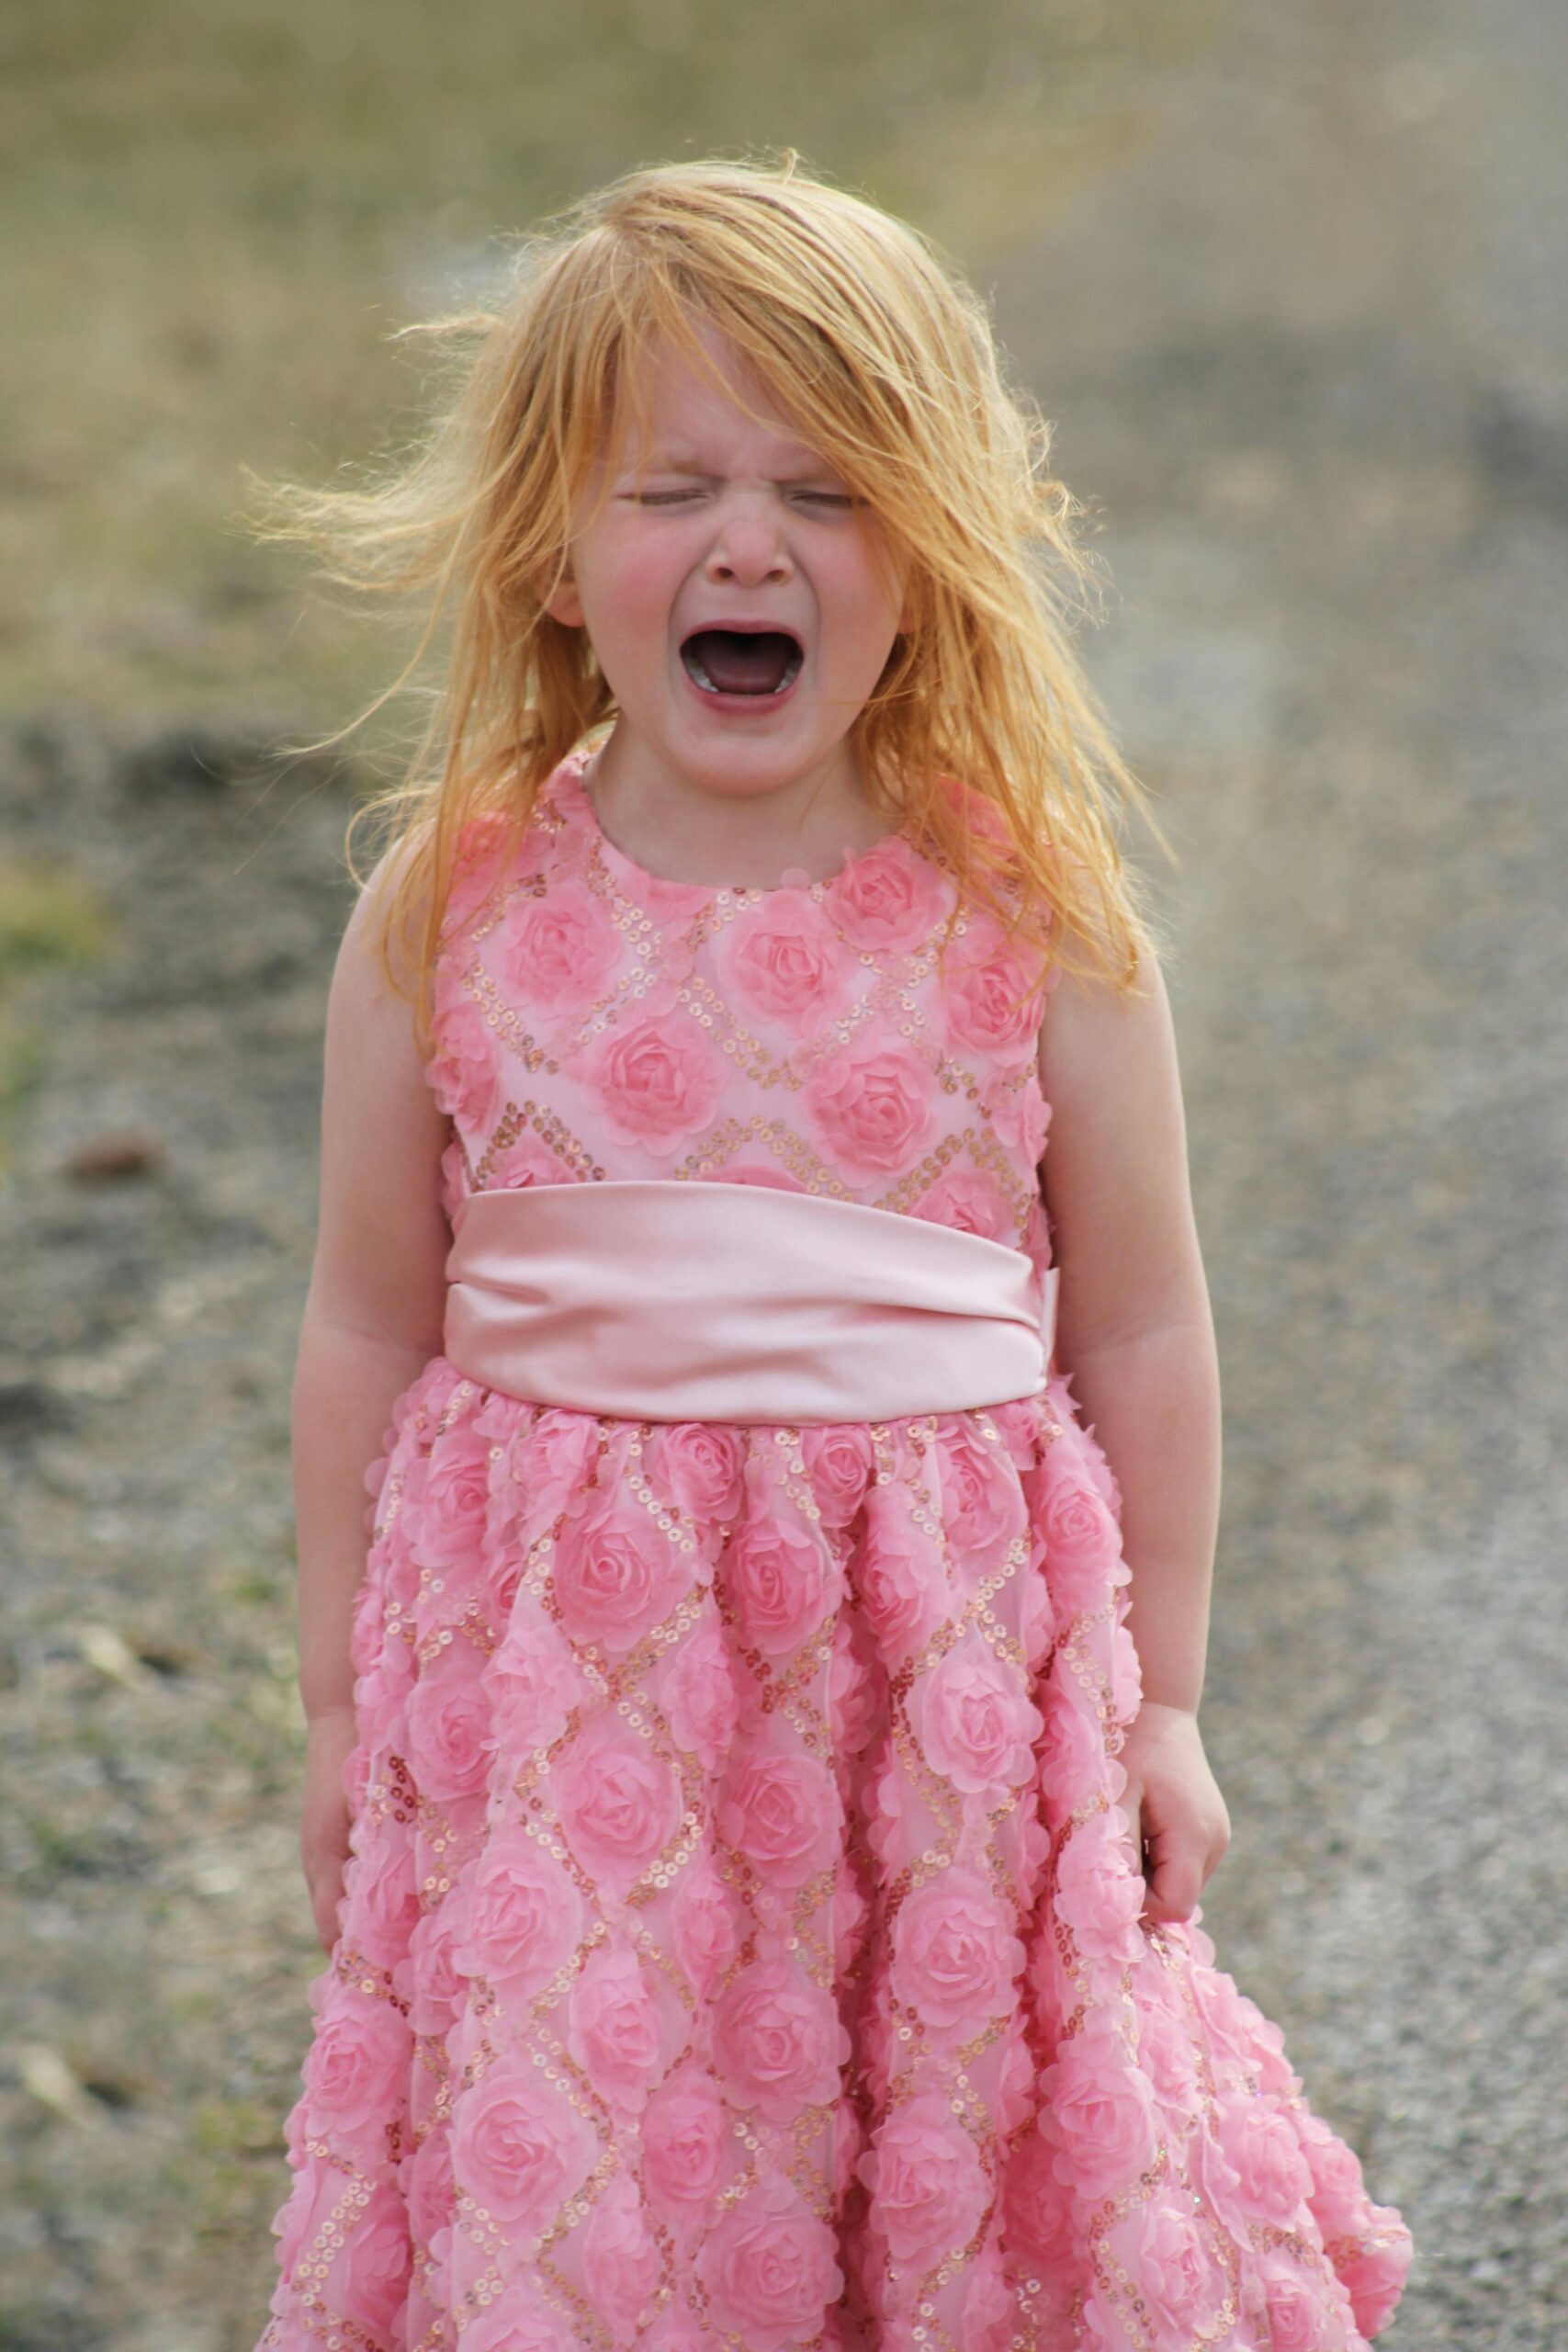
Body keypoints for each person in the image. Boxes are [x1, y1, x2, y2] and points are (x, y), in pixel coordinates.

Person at [245, 152, 1412, 2352]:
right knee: (599, 2179)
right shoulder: (452, 914)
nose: (747, 544)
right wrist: (336, 1708)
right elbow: (360, 1319)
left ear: (928, 554)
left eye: (826, 490)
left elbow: (1147, 1320)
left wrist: (1161, 1698)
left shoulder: (1034, 919)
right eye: (669, 487)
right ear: (553, 551)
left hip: (939, 1703)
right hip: (566, 1709)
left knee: (946, 2162)